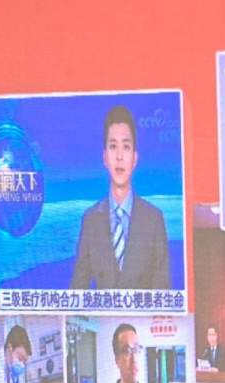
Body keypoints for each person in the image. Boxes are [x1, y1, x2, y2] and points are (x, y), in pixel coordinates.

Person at [70, 104, 171, 294]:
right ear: (104, 157)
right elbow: (77, 290)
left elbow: (163, 292)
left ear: (135, 158)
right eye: (112, 146)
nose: (119, 156)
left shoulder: (153, 219)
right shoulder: (90, 220)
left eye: (126, 147)